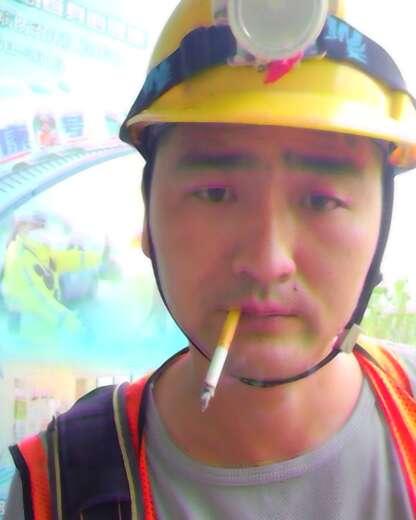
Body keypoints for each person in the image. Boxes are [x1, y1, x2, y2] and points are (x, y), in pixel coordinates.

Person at [5, 0, 416, 518]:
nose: (267, 262)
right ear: (148, 219)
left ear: (381, 227)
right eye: (216, 193)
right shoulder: (59, 486)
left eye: (321, 200)